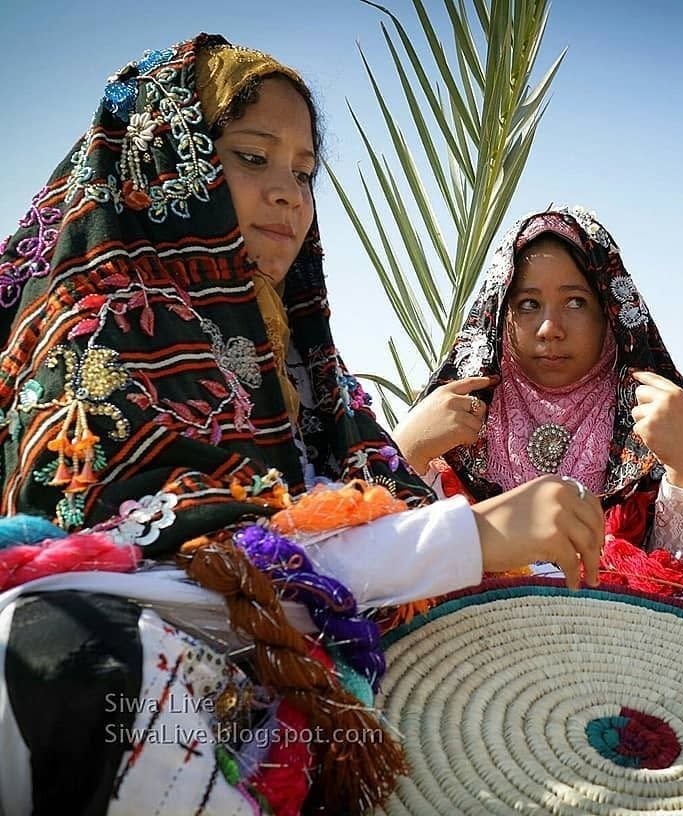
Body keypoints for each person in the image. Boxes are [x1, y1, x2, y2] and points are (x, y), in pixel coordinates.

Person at [0, 35, 601, 814]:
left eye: (306, 172)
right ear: (163, 168)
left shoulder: (303, 373)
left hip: (311, 708)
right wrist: (461, 538)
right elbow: (132, 572)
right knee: (61, 649)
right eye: (253, 157)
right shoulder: (93, 342)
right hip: (162, 707)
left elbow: (363, 539)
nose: (288, 193)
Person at [395, 207, 683, 573]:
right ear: (502, 313)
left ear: (609, 314)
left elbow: (680, 584)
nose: (550, 328)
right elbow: (395, 569)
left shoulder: (655, 423)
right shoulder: (455, 423)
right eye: (528, 304)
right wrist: (405, 454)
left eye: (575, 302)